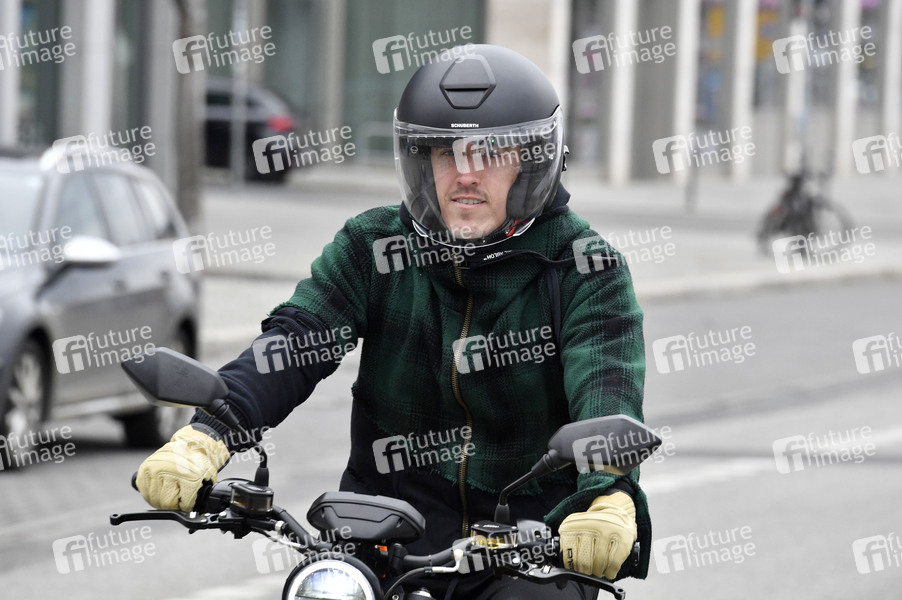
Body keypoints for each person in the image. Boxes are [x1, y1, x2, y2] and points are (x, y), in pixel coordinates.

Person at [136, 44, 650, 598]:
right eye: (446, 153)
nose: (466, 174)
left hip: (530, 542)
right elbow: (298, 339)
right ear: (421, 163)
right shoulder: (375, 245)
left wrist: (607, 497)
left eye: (489, 153)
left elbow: (606, 386)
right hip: (383, 529)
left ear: (530, 163)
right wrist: (211, 432)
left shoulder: (584, 268)